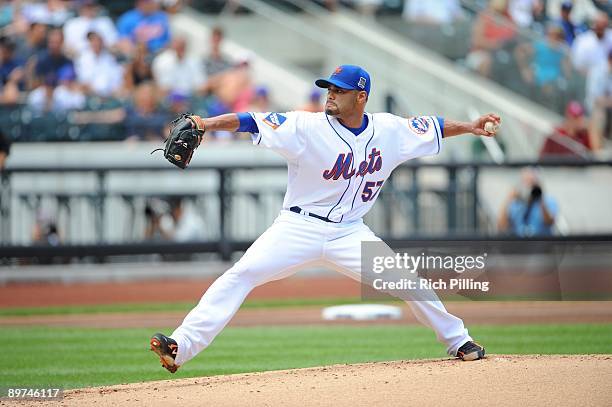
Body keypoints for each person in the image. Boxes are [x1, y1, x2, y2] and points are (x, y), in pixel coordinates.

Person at [149, 65, 498, 373]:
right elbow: (250, 120)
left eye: (339, 90)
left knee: (409, 281)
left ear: (361, 97)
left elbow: (433, 126)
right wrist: (205, 123)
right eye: (328, 88)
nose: (330, 94)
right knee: (241, 274)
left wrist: (470, 126)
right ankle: (181, 346)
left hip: (350, 233)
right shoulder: (306, 125)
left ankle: (459, 341)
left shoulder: (390, 130)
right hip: (298, 227)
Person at [497, 168, 558, 236]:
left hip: (542, 243)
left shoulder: (548, 200)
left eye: (532, 182)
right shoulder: (515, 203)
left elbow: (550, 222)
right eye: (526, 182)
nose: (529, 187)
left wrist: (539, 198)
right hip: (520, 244)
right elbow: (501, 226)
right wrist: (509, 199)